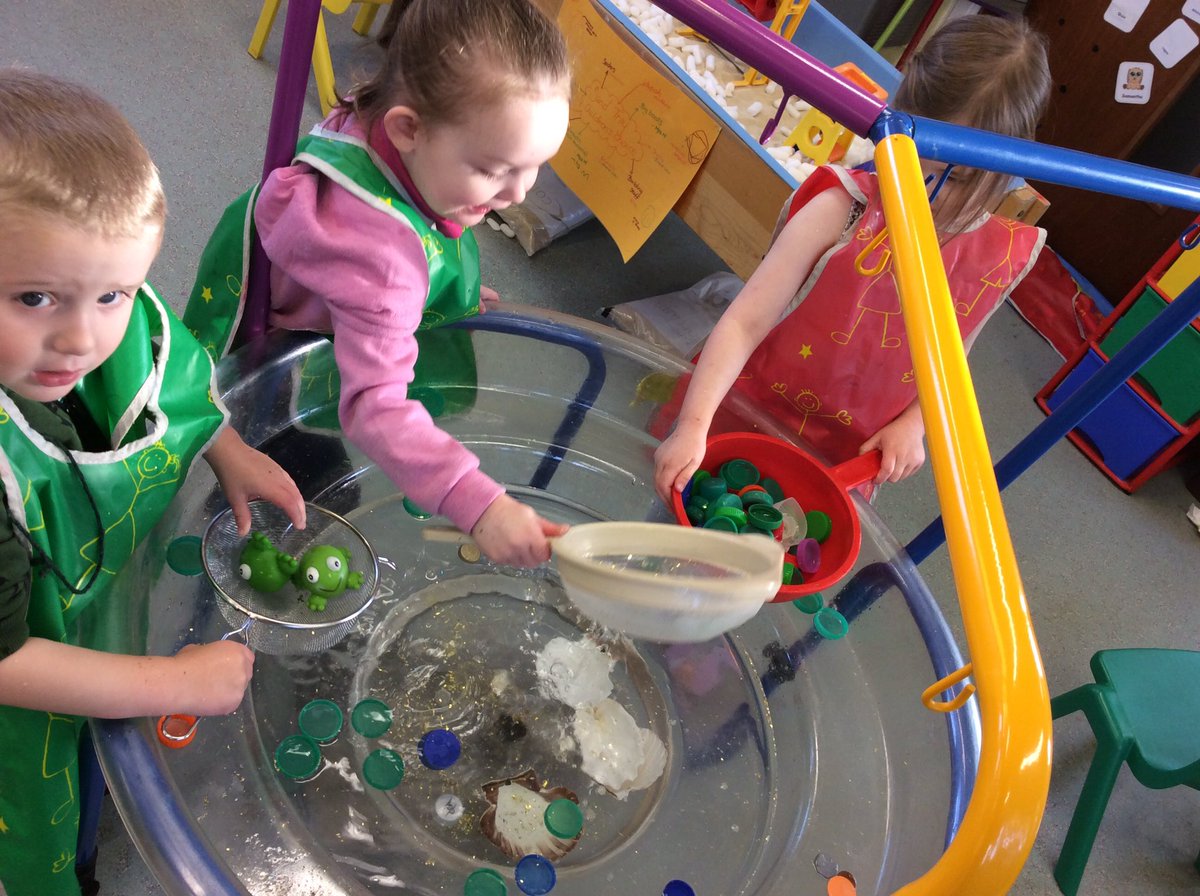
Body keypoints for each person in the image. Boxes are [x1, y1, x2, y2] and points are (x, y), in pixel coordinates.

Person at [0, 70, 306, 896]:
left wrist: (225, 446)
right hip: (19, 680)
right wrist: (172, 685)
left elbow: (168, 381)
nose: (81, 337)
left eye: (115, 294)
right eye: (33, 298)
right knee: (38, 813)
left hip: (75, 592)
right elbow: (6, 662)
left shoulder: (97, 308)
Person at [184, 0, 572, 567]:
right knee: (315, 477)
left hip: (340, 279)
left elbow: (428, 231)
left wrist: (438, 287)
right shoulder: (384, 264)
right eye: (495, 170)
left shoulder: (389, 110)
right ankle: (235, 544)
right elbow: (374, 407)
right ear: (408, 128)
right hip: (277, 337)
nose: (518, 194)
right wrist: (480, 506)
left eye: (536, 165)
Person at [654, 15, 1051, 502]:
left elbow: (952, 354)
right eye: (911, 161)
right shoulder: (841, 209)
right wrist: (693, 425)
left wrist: (914, 424)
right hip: (743, 408)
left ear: (1008, 172)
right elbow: (744, 323)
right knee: (682, 507)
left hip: (843, 455)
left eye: (961, 179)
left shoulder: (994, 256)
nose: (926, 192)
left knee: (784, 549)